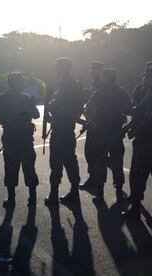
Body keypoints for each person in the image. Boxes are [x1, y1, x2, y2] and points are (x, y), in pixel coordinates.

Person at [121, 67, 152, 220]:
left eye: (146, 77)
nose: (143, 80)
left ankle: (135, 210)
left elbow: (149, 118)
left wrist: (134, 131)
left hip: (147, 141)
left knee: (137, 175)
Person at [0, 73, 40, 207]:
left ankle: (14, 198)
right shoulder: (25, 98)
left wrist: (11, 120)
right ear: (13, 82)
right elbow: (35, 114)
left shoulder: (0, 98)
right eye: (20, 82)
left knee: (13, 167)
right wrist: (21, 116)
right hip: (20, 137)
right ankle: (29, 198)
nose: (22, 84)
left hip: (13, 137)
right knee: (26, 167)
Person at [84, 68, 131, 202]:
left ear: (108, 78)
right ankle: (111, 190)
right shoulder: (118, 92)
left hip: (108, 132)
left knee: (106, 162)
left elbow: (88, 109)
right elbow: (88, 109)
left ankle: (107, 191)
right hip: (109, 132)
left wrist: (94, 121)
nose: (102, 79)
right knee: (111, 161)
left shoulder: (100, 92)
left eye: (103, 77)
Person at [44, 57, 83, 205]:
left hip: (61, 128)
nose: (56, 69)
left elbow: (57, 104)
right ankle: (74, 193)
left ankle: (54, 195)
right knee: (70, 160)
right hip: (68, 127)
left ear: (65, 68)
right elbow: (78, 107)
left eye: (59, 67)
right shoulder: (74, 84)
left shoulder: (66, 84)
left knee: (57, 162)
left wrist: (49, 103)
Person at [80, 61, 103, 190]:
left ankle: (95, 179)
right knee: (91, 153)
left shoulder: (100, 85)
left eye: (95, 69)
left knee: (92, 153)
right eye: (91, 69)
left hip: (97, 125)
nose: (92, 71)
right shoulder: (95, 85)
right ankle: (94, 178)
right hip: (93, 123)